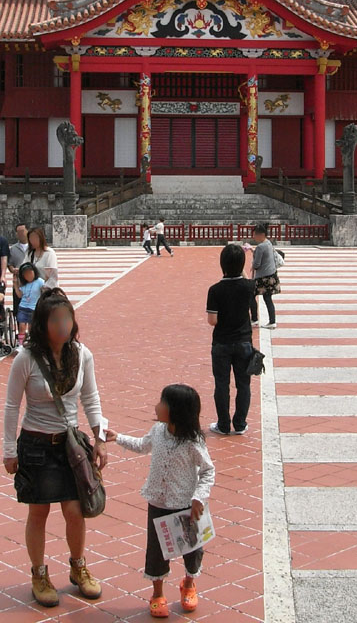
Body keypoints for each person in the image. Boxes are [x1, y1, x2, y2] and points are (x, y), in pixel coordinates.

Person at [2, 289, 107, 607]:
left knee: (75, 511)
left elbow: (91, 398)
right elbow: (12, 405)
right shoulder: (27, 358)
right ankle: (39, 574)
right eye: (55, 319)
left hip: (69, 447)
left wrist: (100, 438)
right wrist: (9, 450)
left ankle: (78, 567)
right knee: (39, 511)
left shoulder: (82, 354)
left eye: (67, 318)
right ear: (42, 324)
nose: (63, 325)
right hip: (35, 445)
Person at [107, 384, 215, 618]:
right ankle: (157, 594)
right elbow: (142, 445)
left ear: (176, 411)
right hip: (158, 503)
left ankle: (189, 584)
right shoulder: (157, 431)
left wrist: (199, 497)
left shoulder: (193, 442)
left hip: (186, 505)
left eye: (162, 403)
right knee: (156, 551)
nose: (156, 406)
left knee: (192, 549)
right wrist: (118, 438)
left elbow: (208, 471)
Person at [206, 242, 256, 436]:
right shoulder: (249, 287)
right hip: (244, 342)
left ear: (222, 264)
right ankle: (240, 424)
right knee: (244, 384)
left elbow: (212, 321)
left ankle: (223, 424)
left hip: (222, 342)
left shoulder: (215, 290)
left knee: (221, 384)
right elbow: (246, 281)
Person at [249, 224, 280, 329]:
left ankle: (254, 319)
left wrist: (253, 263)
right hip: (271, 275)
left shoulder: (261, 247)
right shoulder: (268, 243)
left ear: (261, 235)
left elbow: (257, 264)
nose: (254, 237)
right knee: (267, 298)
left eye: (255, 235)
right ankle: (272, 321)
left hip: (263, 277)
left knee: (251, 295)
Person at [15, 261, 45, 349]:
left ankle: (32, 342)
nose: (28, 275)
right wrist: (15, 284)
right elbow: (19, 295)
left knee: (31, 327)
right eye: (26, 274)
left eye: (30, 273)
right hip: (23, 307)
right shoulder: (24, 284)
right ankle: (20, 344)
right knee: (21, 326)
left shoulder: (39, 281)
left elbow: (44, 290)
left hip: (34, 308)